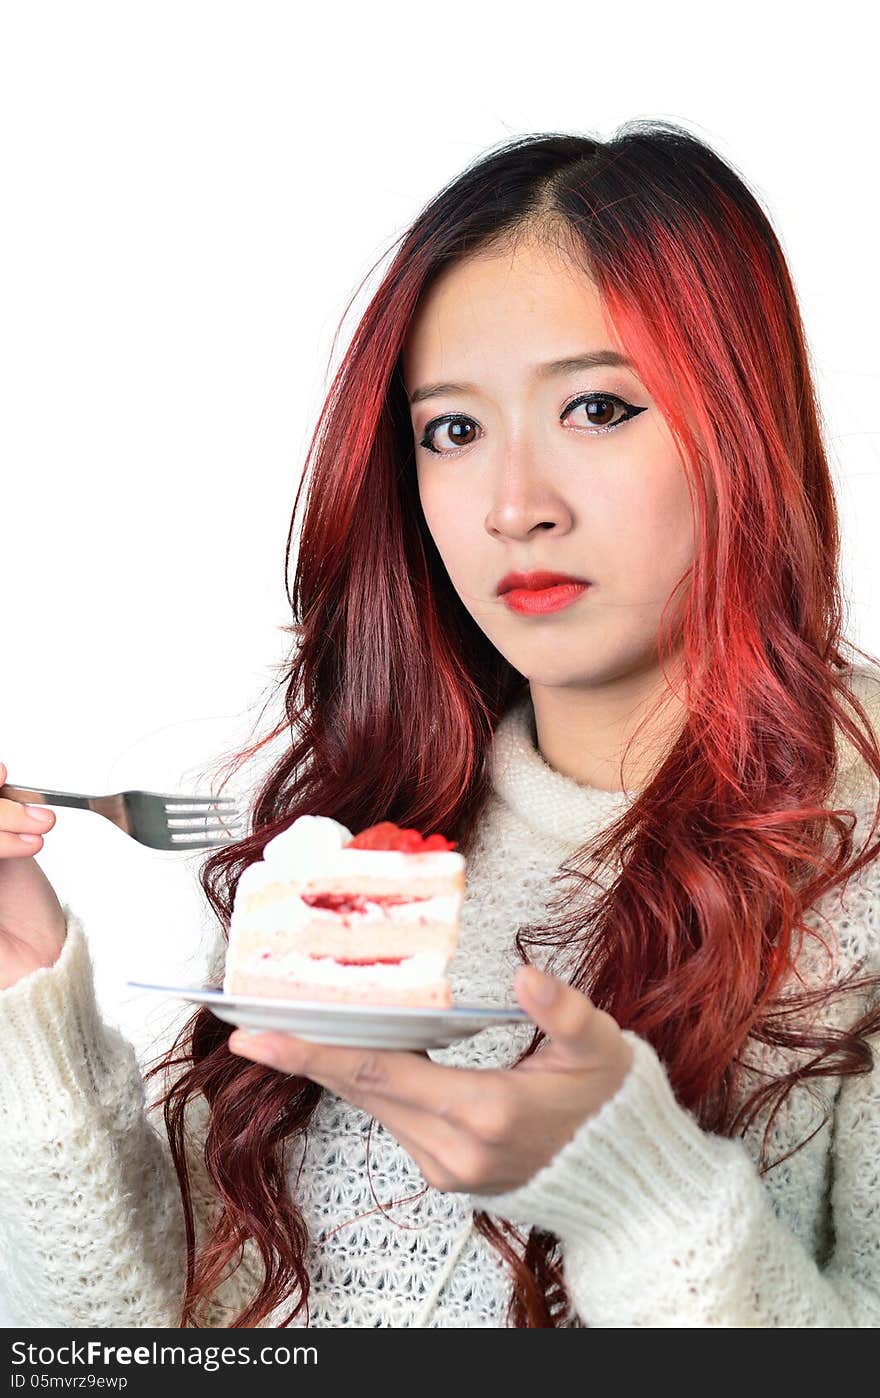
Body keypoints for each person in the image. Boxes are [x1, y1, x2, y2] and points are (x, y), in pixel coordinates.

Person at [2, 120, 880, 1329]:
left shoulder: (862, 859)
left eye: (597, 407)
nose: (515, 505)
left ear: (742, 424)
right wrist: (28, 1009)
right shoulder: (369, 845)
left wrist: (637, 1202)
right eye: (453, 431)